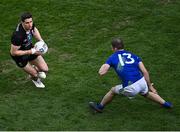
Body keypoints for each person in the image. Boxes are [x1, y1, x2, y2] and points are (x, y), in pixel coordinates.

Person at [89, 38, 172, 113]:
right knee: (146, 93)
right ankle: (166, 104)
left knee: (113, 90)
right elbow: (145, 72)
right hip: (142, 81)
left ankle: (99, 107)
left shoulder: (112, 57)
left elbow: (102, 72)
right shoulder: (132, 55)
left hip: (131, 87)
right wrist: (150, 86)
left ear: (114, 48)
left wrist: (103, 67)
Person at [10, 12, 48, 88]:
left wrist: (41, 40)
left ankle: (34, 69)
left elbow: (34, 29)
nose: (30, 24)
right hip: (20, 57)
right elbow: (13, 52)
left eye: (31, 21)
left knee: (45, 69)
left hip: (30, 49)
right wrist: (30, 51)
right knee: (34, 74)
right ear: (22, 23)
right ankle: (35, 79)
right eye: (27, 23)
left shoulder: (30, 25)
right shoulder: (18, 36)